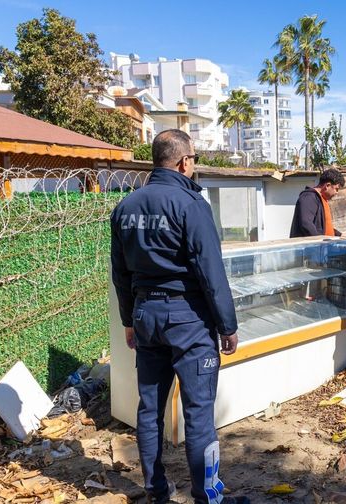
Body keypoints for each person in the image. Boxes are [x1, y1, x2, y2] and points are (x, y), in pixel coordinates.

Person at [110, 130, 249, 504]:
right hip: (187, 320)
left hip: (145, 317)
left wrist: (129, 320)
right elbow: (211, 272)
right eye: (195, 160)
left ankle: (157, 492)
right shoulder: (190, 205)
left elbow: (120, 274)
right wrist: (227, 326)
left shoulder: (125, 207)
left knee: (150, 410)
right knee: (199, 415)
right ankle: (209, 497)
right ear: (185, 161)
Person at [289, 168, 345, 238]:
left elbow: (322, 227)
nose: (337, 192)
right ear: (327, 186)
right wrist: (319, 242)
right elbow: (306, 224)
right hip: (310, 247)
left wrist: (339, 235)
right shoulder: (309, 197)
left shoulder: (321, 199)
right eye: (336, 189)